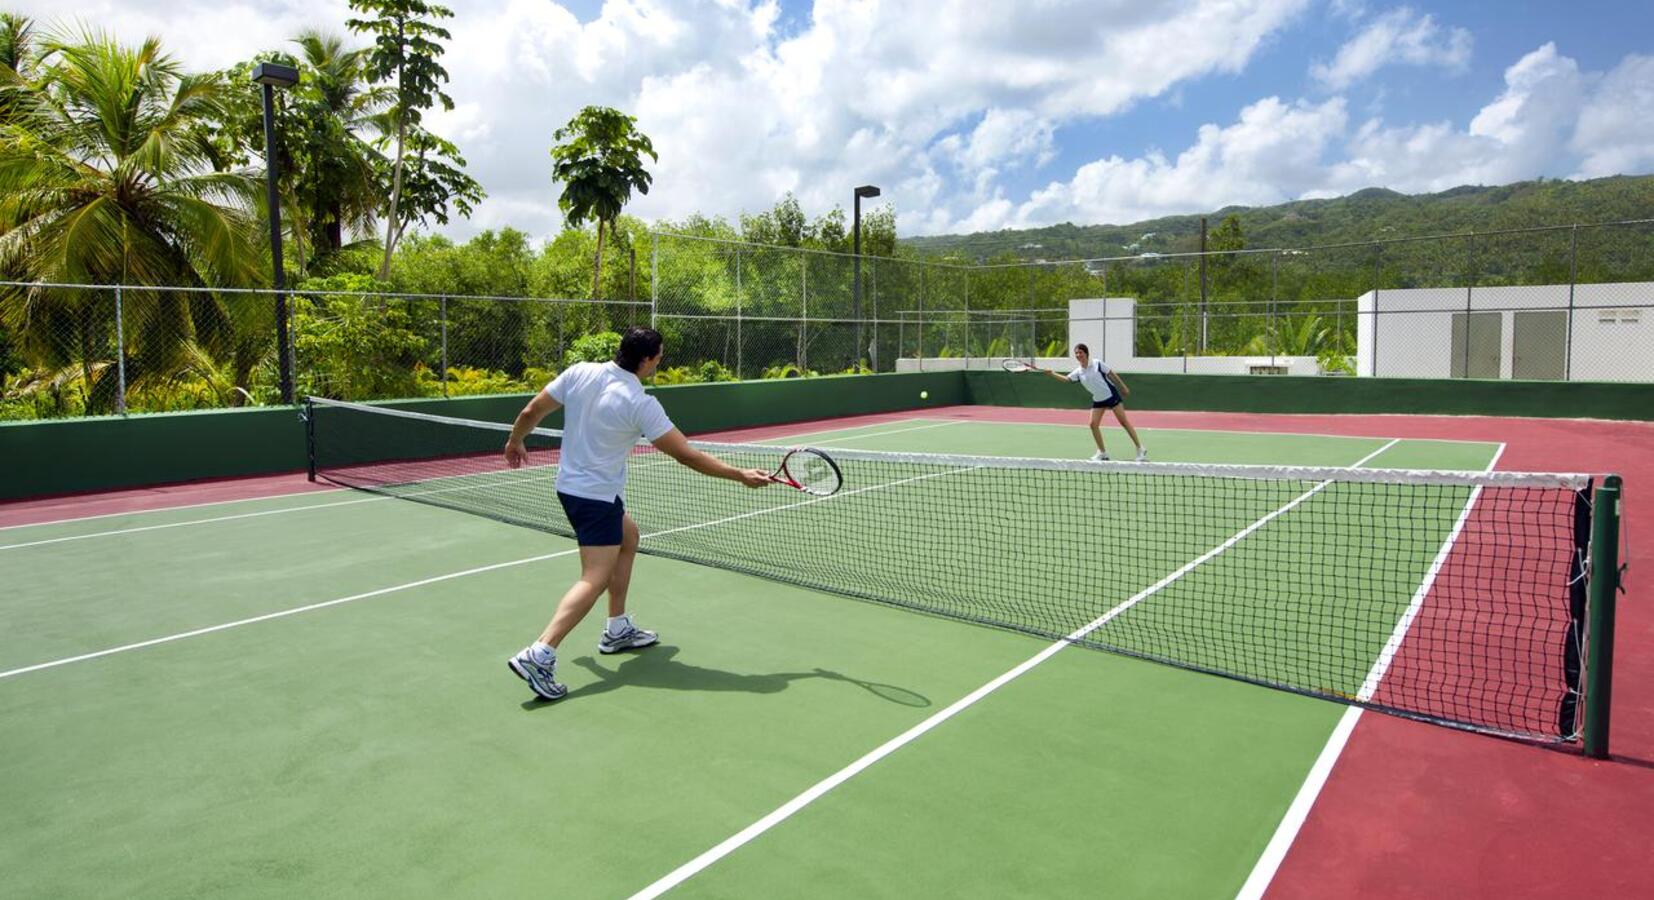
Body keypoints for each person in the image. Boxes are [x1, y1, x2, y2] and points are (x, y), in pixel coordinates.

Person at [502, 327, 770, 701]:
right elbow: (686, 454)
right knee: (594, 577)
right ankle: (541, 653)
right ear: (646, 359)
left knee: (629, 535)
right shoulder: (640, 402)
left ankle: (617, 628)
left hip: (571, 486)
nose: (660, 361)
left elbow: (532, 410)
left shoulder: (579, 371)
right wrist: (739, 475)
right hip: (594, 497)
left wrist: (516, 439)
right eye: (659, 356)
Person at [1036, 343, 1146, 462]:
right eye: (1076, 353)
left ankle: (1140, 449)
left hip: (1111, 395)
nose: (1078, 355)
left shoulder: (1097, 364)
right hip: (1098, 399)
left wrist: (1123, 387)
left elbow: (1111, 374)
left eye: (1080, 352)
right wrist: (1051, 373)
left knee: (1123, 422)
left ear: (1086, 353)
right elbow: (1067, 379)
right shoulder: (1079, 372)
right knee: (1093, 425)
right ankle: (1102, 452)